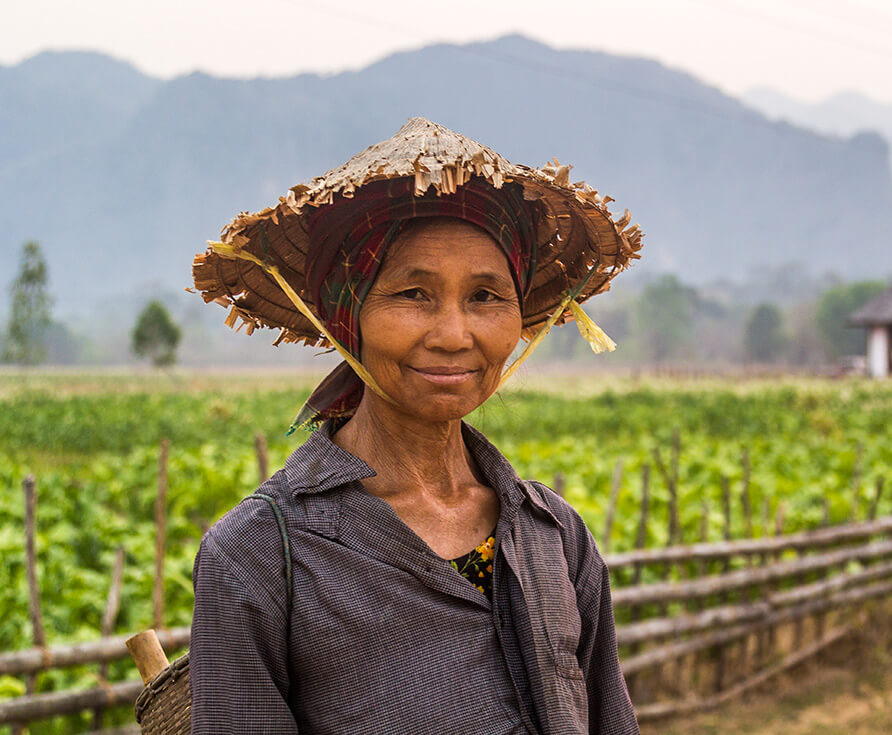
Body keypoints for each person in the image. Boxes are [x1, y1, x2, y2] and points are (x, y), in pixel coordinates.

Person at [188, 118, 643, 734]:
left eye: (486, 296)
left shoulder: (555, 537)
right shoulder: (261, 555)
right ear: (347, 318)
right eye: (412, 294)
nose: (455, 335)